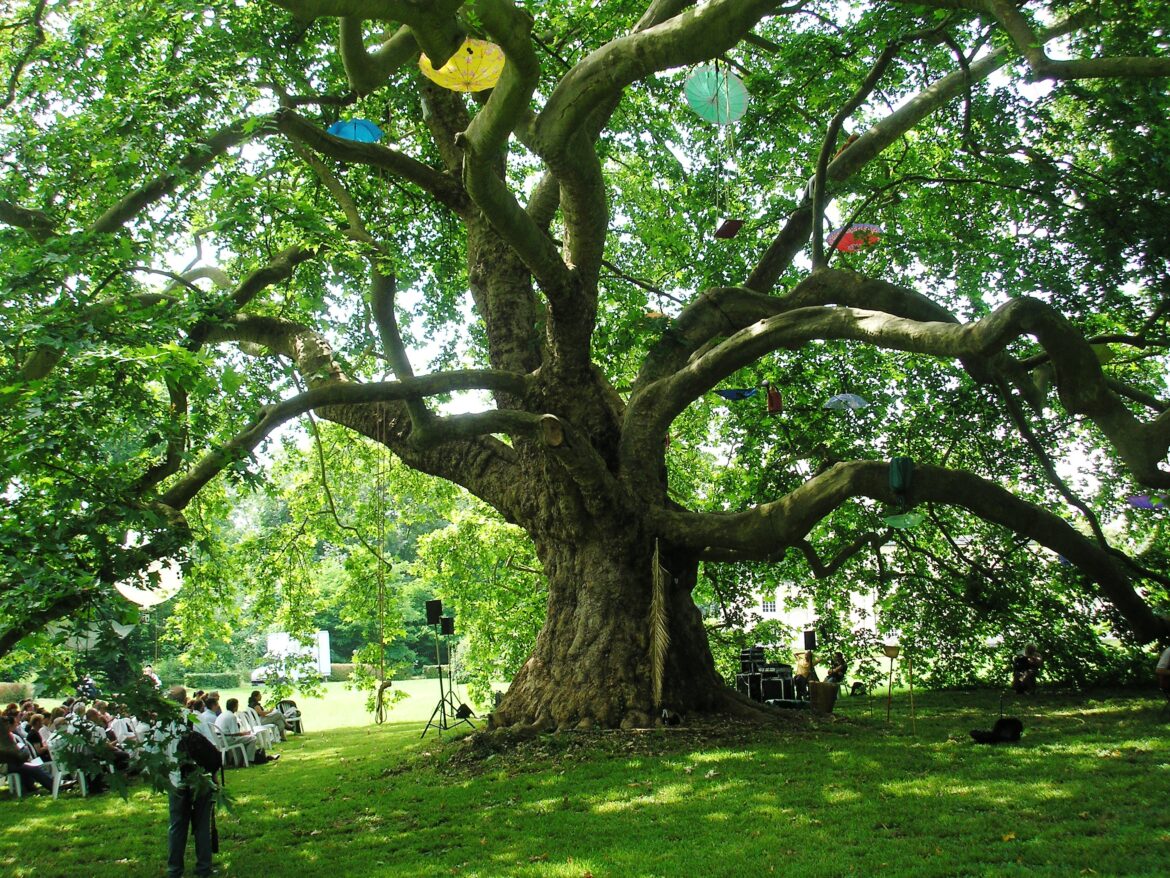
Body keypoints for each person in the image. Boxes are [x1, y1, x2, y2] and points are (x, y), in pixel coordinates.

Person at [163, 686, 216, 878]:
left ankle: (174, 870)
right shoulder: (196, 719)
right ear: (186, 699)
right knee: (201, 825)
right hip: (199, 778)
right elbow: (213, 747)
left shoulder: (162, 723)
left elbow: (156, 754)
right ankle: (204, 868)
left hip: (175, 780)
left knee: (177, 825)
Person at [215, 698, 278, 765]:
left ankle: (262, 756)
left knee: (247, 739)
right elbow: (234, 733)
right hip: (228, 740)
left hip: (219, 740)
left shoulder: (222, 715)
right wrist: (245, 733)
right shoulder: (231, 716)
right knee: (252, 738)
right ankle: (249, 760)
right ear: (235, 707)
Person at [1, 716, 53, 794]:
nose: (8, 726)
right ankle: (52, 786)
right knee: (30, 767)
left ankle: (31, 787)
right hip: (4, 765)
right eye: (5, 725)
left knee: (27, 765)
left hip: (12, 762)